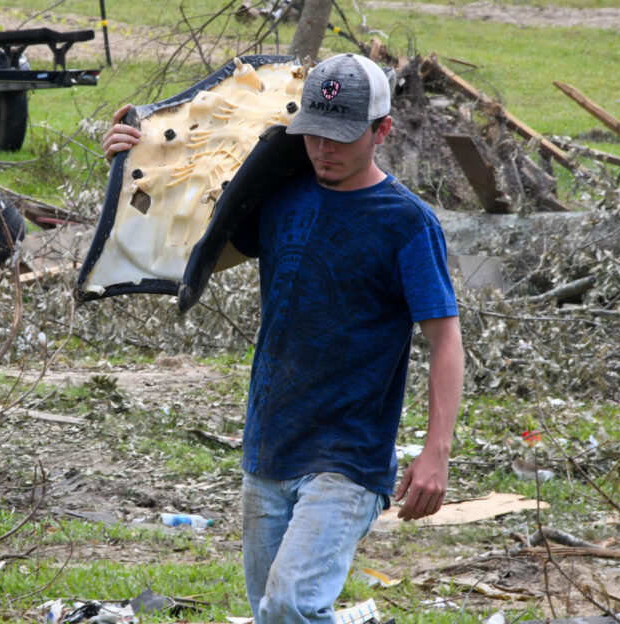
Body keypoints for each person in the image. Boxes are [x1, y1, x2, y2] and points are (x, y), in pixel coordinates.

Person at [102, 52, 464, 624]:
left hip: (349, 455)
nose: (324, 149)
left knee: (292, 605)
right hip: (269, 444)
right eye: (315, 134)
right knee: (270, 613)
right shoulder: (279, 195)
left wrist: (436, 453)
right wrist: (135, 153)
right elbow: (182, 225)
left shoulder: (407, 223)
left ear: (382, 130)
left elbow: (446, 339)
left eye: (341, 137)